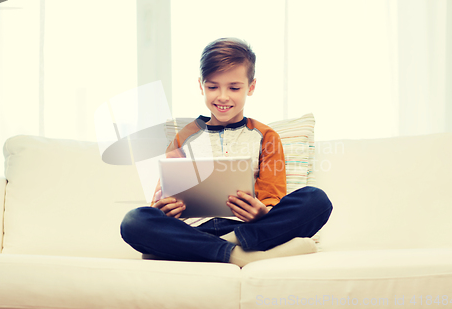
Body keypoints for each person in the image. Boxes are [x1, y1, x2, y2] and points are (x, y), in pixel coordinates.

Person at [120, 37, 333, 267]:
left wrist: (262, 213)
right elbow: (163, 199)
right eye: (213, 87)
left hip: (247, 228)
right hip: (193, 229)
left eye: (234, 87)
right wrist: (165, 209)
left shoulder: (266, 136)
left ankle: (206, 249)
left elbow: (272, 198)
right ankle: (238, 254)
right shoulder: (184, 137)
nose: (222, 96)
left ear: (251, 87)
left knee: (316, 200)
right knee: (134, 221)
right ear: (201, 86)